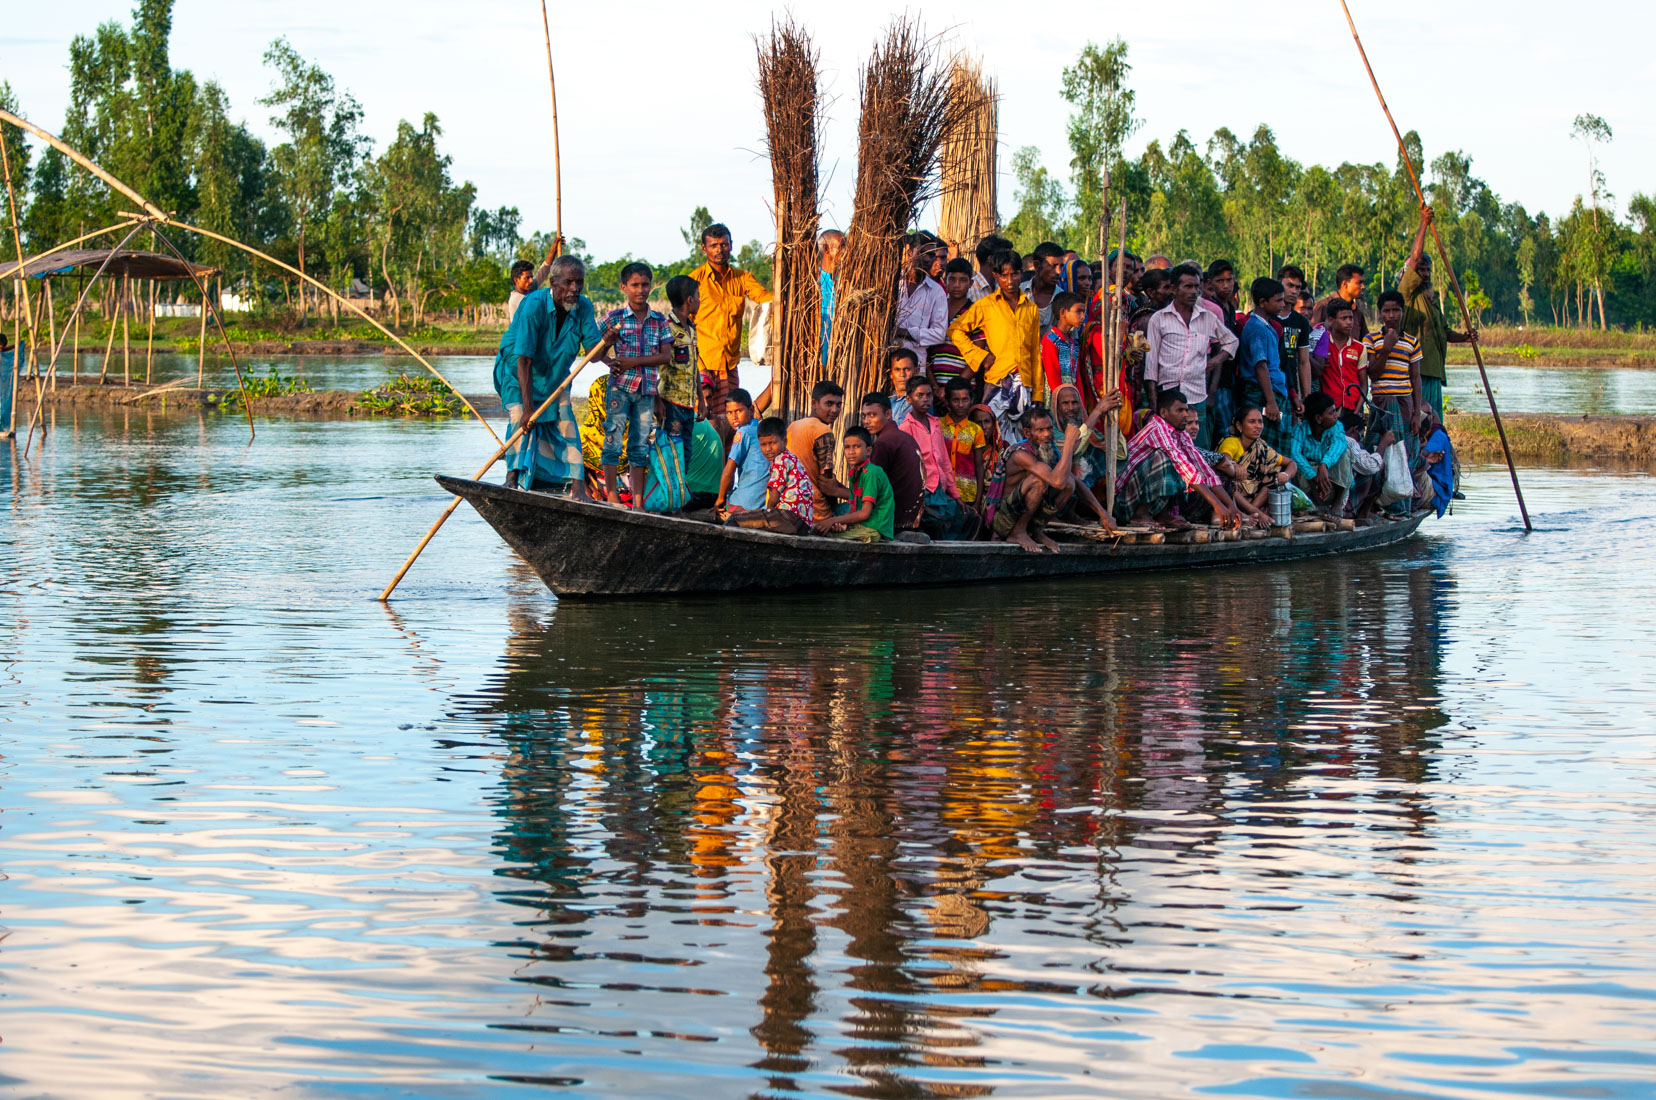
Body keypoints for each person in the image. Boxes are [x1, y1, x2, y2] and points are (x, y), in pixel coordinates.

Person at [494, 255, 611, 498]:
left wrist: (606, 343)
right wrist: (528, 409)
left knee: (566, 423)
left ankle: (579, 489)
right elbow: (523, 359)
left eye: (579, 283)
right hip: (519, 373)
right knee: (519, 418)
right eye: (569, 282)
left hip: (555, 376)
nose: (574, 289)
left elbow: (593, 354)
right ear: (553, 282)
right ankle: (511, 479)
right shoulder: (533, 305)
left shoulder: (584, 307)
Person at [947, 249, 1042, 443]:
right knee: (991, 436)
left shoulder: (1030, 308)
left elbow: (1034, 353)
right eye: (1004, 276)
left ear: (1021, 273)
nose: (1010, 281)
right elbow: (955, 330)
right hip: (997, 382)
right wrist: (980, 356)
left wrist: (1038, 392)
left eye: (1014, 274)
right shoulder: (986, 305)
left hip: (1024, 385)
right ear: (996, 276)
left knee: (1023, 440)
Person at [984, 400, 1104, 552]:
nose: (1047, 434)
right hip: (1004, 521)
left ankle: (1035, 531)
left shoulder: (1047, 450)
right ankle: (1018, 533)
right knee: (1039, 481)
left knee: (1069, 483)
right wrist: (1068, 444)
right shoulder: (1021, 454)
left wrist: (1104, 515)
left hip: (1026, 518)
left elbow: (1074, 482)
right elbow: (1057, 482)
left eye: (1049, 428)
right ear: (1027, 433)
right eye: (1040, 430)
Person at [600, 262, 673, 508]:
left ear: (651, 286)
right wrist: (608, 358)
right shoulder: (615, 318)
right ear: (624, 287)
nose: (640, 290)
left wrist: (634, 362)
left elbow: (665, 356)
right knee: (613, 438)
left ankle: (639, 504)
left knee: (640, 445)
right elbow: (593, 344)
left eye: (644, 285)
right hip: (620, 388)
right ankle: (612, 497)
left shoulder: (659, 320)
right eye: (634, 285)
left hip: (647, 391)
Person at [1143, 263, 1238, 447]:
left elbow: (1232, 342)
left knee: (1197, 450)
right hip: (1168, 395)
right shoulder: (1159, 319)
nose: (1194, 292)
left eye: (1196, 286)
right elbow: (1151, 367)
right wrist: (1154, 403)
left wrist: (1216, 361)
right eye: (1188, 286)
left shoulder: (1207, 317)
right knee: (1169, 449)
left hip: (1197, 396)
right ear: (1174, 289)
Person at [1115, 388, 1236, 530]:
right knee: (1166, 458)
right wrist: (1217, 505)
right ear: (1164, 413)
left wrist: (1231, 506)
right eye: (1179, 411)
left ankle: (1163, 515)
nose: (1185, 415)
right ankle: (1140, 515)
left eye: (1186, 410)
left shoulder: (1181, 434)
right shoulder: (1156, 428)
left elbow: (1203, 468)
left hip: (1141, 498)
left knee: (1188, 465)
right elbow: (1182, 464)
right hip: (1124, 502)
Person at [690, 222, 773, 432]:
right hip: (703, 366)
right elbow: (684, 326)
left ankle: (730, 462)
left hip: (730, 365)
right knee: (705, 423)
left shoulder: (742, 278)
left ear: (731, 246)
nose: (719, 250)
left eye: (724, 245)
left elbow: (769, 300)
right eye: (714, 245)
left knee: (732, 423)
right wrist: (699, 367)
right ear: (704, 248)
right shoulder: (694, 281)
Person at [1401, 206, 1476, 420]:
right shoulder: (1407, 293)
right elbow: (1414, 260)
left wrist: (1465, 338)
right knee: (1418, 420)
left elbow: (1445, 332)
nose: (1424, 274)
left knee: (1433, 422)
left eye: (1427, 270)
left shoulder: (1431, 301)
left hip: (1433, 372)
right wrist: (1423, 224)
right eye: (1420, 270)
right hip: (1416, 372)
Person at [899, 375, 974, 540]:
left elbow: (944, 462)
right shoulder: (905, 428)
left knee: (966, 518)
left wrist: (956, 495)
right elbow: (905, 468)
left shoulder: (935, 424)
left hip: (939, 488)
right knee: (934, 525)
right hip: (922, 491)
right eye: (920, 395)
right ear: (909, 399)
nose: (926, 399)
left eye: (929, 395)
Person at [724, 417, 815, 535]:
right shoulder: (790, 458)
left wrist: (766, 512)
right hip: (802, 522)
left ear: (784, 441)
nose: (768, 449)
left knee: (734, 520)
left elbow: (774, 497)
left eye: (772, 443)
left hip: (788, 517)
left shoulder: (780, 461)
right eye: (763, 444)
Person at [1051, 382, 1122, 530]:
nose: (1071, 408)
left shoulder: (1083, 427)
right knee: (1075, 463)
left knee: (1093, 455)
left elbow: (1119, 453)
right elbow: (1072, 449)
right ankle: (1055, 515)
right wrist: (1097, 412)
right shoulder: (1050, 429)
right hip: (1052, 490)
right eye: (1065, 403)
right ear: (1056, 407)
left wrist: (1113, 417)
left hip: (1072, 484)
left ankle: (1070, 513)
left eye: (1075, 403)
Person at [1363, 289, 1425, 448]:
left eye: (1396, 310)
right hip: (1381, 401)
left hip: (1404, 401)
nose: (1391, 315)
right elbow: (1374, 375)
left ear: (1402, 312)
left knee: (1406, 448)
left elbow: (1416, 378)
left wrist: (1417, 414)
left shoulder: (1412, 342)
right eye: (1386, 311)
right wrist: (1386, 348)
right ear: (1380, 314)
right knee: (1378, 447)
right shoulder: (1371, 340)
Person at [1217, 404, 1297, 527]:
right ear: (1239, 426)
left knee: (1274, 473)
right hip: (1232, 497)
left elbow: (1291, 463)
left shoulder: (1262, 447)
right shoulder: (1231, 442)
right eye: (1252, 422)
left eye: (1260, 422)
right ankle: (1255, 513)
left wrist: (1286, 474)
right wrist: (1234, 465)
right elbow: (1224, 460)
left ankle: (1250, 512)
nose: (1258, 426)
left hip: (1251, 498)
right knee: (1225, 478)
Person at [861, 391, 925, 535]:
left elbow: (872, 490)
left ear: (888, 414)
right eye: (864, 416)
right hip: (913, 518)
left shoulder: (884, 443)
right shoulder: (902, 437)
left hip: (896, 520)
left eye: (873, 415)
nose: (866, 421)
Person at [813, 427, 893, 543]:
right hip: (862, 525)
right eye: (847, 447)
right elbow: (852, 510)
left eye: (857, 446)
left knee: (824, 535)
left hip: (875, 528)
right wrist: (842, 524)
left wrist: (833, 520)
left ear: (869, 450)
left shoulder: (871, 473)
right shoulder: (854, 473)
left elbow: (865, 514)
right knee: (818, 529)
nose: (851, 452)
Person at [787, 379, 851, 523]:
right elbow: (826, 483)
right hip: (816, 513)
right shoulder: (823, 431)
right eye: (829, 404)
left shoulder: (794, 426)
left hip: (791, 506)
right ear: (814, 403)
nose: (834, 410)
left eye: (838, 405)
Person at [1241, 277, 1291, 453]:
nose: (1282, 304)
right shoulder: (1256, 328)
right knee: (1264, 448)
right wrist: (1270, 402)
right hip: (1262, 394)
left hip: (1274, 391)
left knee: (1278, 447)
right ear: (1263, 302)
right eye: (1278, 300)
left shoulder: (1268, 326)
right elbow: (1260, 366)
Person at [658, 274, 702, 471]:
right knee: (672, 453)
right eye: (698, 296)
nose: (700, 301)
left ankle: (680, 496)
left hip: (688, 404)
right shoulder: (667, 329)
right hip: (671, 402)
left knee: (686, 452)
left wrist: (701, 398)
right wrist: (657, 401)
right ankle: (671, 497)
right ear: (690, 300)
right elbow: (656, 367)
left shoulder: (692, 329)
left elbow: (694, 368)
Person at [1288, 392, 1350, 515]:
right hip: (1310, 484)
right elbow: (1294, 454)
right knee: (1293, 463)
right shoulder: (1300, 430)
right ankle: (1309, 505)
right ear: (1318, 418)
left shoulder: (1337, 427)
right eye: (1331, 413)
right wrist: (1314, 477)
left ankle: (1337, 504)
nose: (1336, 415)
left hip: (1331, 482)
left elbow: (1339, 444)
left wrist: (1324, 465)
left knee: (1344, 454)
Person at [715, 387, 773, 517]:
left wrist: (720, 499)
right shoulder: (758, 428)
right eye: (729, 413)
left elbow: (729, 470)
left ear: (751, 410)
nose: (734, 417)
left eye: (738, 411)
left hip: (747, 501)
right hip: (763, 500)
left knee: (721, 508)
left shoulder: (743, 432)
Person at [896, 233, 947, 367]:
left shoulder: (936, 292)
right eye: (923, 253)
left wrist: (905, 333)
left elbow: (939, 334)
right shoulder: (892, 285)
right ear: (909, 252)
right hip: (886, 362)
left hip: (917, 365)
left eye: (931, 255)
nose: (927, 259)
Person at [928, 257, 977, 395]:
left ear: (971, 283)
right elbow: (926, 352)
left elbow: (976, 357)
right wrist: (935, 387)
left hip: (963, 391)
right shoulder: (936, 308)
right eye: (952, 279)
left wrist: (953, 390)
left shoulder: (976, 313)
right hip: (934, 390)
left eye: (962, 280)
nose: (957, 285)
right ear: (945, 280)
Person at [940, 376, 989, 509]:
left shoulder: (975, 430)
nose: (961, 405)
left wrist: (977, 502)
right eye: (956, 400)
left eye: (965, 400)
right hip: (943, 492)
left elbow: (979, 467)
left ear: (971, 400)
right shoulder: (938, 426)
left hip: (967, 494)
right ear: (948, 401)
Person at [1311, 298, 1365, 413]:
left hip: (1353, 407)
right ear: (1331, 320)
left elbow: (1364, 385)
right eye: (1343, 318)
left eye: (1351, 318)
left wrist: (1356, 413)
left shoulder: (1359, 347)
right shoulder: (1322, 343)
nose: (1349, 322)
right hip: (1328, 408)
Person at [1276, 265, 1314, 417]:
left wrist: (1307, 398)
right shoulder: (1267, 317)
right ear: (1279, 284)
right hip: (1267, 387)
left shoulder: (1301, 322)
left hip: (1291, 387)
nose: (1294, 291)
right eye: (1289, 285)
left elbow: (1304, 362)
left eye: (1297, 287)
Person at [1040, 291, 1087, 393]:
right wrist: (1062, 397)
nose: (1083, 316)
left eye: (1083, 312)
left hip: (1073, 396)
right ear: (1063, 313)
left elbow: (1077, 377)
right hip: (1057, 396)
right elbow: (1053, 376)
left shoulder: (1073, 343)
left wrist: (1081, 404)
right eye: (1078, 311)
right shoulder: (1050, 340)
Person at [505, 238, 559, 324]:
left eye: (531, 277)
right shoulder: (517, 299)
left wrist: (554, 247)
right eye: (526, 278)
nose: (530, 281)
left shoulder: (529, 289)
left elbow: (544, 271)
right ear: (516, 280)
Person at [1312, 263, 1370, 336]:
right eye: (1359, 283)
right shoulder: (1323, 306)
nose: (1363, 287)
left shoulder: (1357, 312)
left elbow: (1364, 340)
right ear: (1344, 284)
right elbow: (1312, 337)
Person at [1418, 412, 1455, 518]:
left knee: (1414, 468)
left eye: (1428, 414)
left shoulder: (1437, 436)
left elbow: (1424, 453)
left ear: (1432, 418)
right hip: (1427, 486)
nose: (1425, 417)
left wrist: (1422, 453)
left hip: (1437, 490)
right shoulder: (1418, 435)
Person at [1022, 241, 1066, 329]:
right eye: (1053, 266)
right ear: (1037, 265)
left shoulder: (1063, 299)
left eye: (1061, 266)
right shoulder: (1019, 292)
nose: (1059, 271)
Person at [819, 228, 844, 364]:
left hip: (842, 354)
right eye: (841, 247)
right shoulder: (814, 282)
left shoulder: (846, 282)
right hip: (818, 354)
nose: (846, 252)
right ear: (826, 249)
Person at [969, 234, 1013, 302]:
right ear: (990, 259)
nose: (1007, 261)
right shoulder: (969, 291)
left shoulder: (1004, 287)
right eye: (1003, 257)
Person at [886, 348, 918, 425]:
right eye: (897, 369)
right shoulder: (888, 401)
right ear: (891, 373)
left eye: (907, 369)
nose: (902, 374)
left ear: (916, 371)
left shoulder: (918, 400)